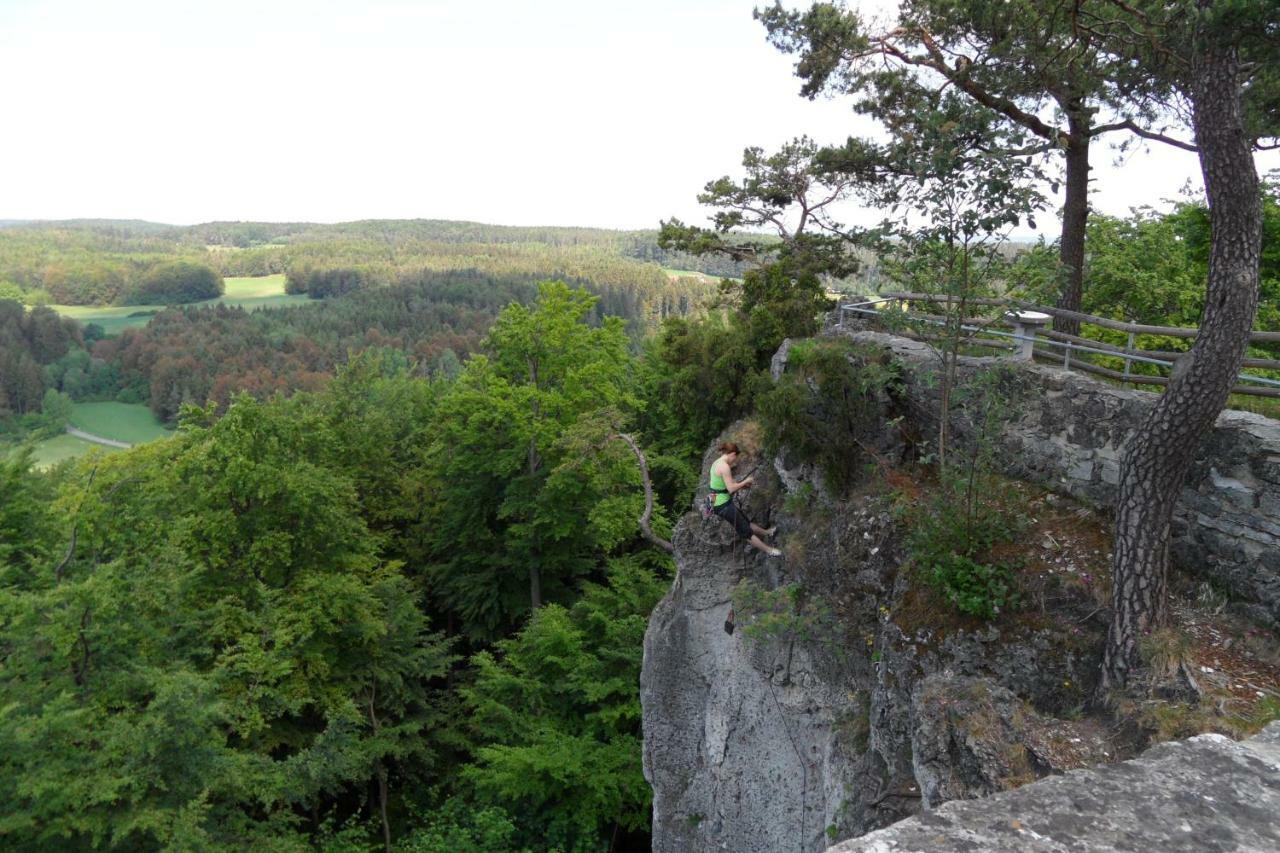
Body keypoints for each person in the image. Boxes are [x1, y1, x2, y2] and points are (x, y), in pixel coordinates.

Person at [708, 441, 782, 557]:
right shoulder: (724, 466)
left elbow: (724, 484)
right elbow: (731, 489)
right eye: (735, 458)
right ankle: (770, 550)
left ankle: (768, 532)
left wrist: (742, 485)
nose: (735, 461)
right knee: (745, 532)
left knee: (746, 522)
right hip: (723, 506)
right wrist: (745, 482)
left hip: (720, 502)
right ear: (732, 454)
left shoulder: (716, 463)